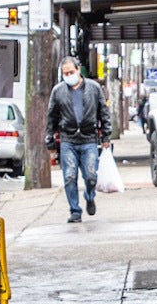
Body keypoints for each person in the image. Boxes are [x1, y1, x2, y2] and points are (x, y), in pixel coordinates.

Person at [47, 55, 111, 223]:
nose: (68, 75)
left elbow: (103, 112)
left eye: (71, 72)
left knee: (91, 175)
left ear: (78, 70)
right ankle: (75, 210)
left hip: (89, 139)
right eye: (65, 73)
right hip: (68, 139)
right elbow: (51, 116)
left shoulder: (94, 88)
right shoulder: (58, 91)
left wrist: (106, 136)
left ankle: (90, 196)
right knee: (69, 176)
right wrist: (50, 140)